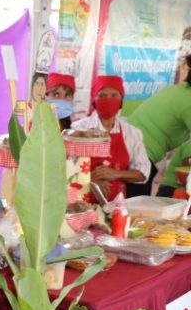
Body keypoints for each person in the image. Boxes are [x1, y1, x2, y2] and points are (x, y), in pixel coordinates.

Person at [70, 75, 149, 201]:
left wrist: (116, 174)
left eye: (114, 95)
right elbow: (65, 169)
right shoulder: (79, 128)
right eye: (102, 95)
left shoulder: (132, 133)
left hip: (117, 204)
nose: (108, 100)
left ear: (121, 101)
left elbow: (143, 173)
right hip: (80, 203)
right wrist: (89, 180)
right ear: (94, 100)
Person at [133, 54, 191, 196]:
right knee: (131, 203)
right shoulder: (188, 99)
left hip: (130, 145)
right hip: (139, 154)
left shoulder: (175, 90)